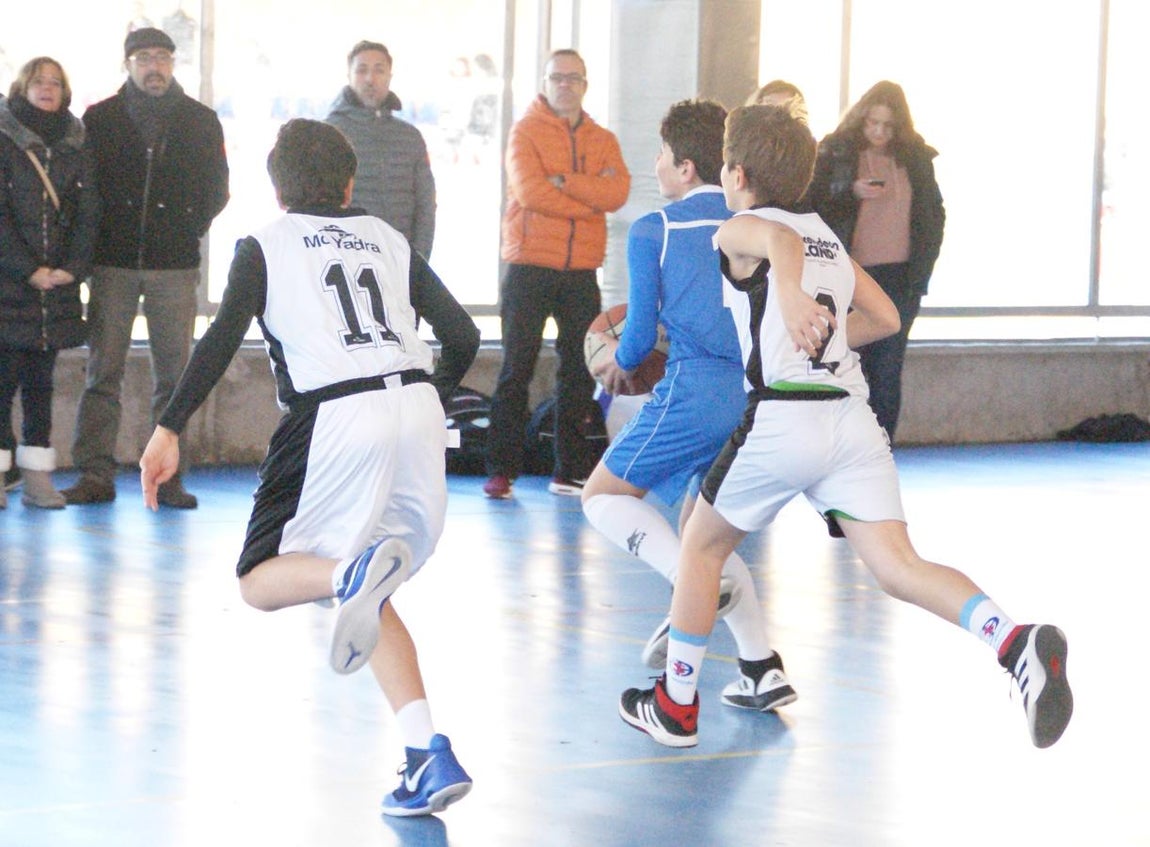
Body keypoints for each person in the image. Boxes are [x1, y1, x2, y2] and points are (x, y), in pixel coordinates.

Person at [619, 105, 1073, 751]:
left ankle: (675, 704)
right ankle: (1013, 639)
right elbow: (884, 316)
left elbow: (773, 243)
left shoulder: (739, 228)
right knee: (900, 566)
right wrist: (819, 331)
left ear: (737, 172)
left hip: (784, 416)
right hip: (851, 419)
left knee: (699, 548)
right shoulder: (827, 236)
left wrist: (792, 300)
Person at [138, 118, 481, 816]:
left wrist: (167, 425)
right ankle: (427, 752)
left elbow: (222, 336)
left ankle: (344, 572)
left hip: (334, 414)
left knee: (260, 581)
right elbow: (466, 334)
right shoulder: (389, 236)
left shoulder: (265, 243)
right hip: (417, 408)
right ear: (351, 181)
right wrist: (421, 396)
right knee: (373, 593)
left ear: (277, 187)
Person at [580, 99, 796, 712]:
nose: (655, 166)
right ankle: (760, 668)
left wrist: (612, 359)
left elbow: (640, 341)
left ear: (685, 166)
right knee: (703, 537)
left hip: (696, 389)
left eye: (662, 156)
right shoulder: (763, 225)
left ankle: (692, 589)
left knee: (601, 497)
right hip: (758, 397)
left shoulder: (658, 228)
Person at [63, 27, 229, 508]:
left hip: (174, 267)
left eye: (163, 58)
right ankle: (95, 473)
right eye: (144, 59)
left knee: (175, 380)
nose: (154, 66)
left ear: (174, 64)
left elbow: (217, 189)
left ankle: (170, 477)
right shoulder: (100, 120)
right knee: (102, 373)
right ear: (128, 65)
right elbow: (83, 188)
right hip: (112, 264)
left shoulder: (201, 121)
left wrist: (185, 227)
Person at [483, 49, 630, 499]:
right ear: (544, 83)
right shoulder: (524, 132)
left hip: (580, 270)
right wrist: (588, 198)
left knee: (578, 371)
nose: (565, 85)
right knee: (516, 368)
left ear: (585, 85)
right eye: (557, 78)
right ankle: (501, 471)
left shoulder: (603, 138)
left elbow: (618, 192)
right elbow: (531, 193)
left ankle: (568, 470)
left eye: (574, 78)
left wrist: (566, 182)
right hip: (528, 266)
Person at [806, 80, 944, 440]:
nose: (880, 132)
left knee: (887, 367)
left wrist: (922, 272)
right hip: (850, 277)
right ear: (861, 119)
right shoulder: (835, 153)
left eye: (888, 125)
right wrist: (850, 191)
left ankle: (881, 446)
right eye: (873, 124)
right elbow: (813, 206)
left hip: (901, 278)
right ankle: (842, 445)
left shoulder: (916, 158)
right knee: (846, 363)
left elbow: (933, 215)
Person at [0, 57, 97, 509]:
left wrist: (71, 269)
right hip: (9, 286)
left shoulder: (76, 144)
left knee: (42, 386)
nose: (47, 89)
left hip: (56, 291)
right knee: (1, 385)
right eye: (38, 81)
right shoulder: (4, 140)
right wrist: (27, 269)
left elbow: (88, 213)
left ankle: (38, 477)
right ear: (22, 87)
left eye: (55, 83)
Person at [326, 40, 436, 258]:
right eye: (361, 70)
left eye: (379, 70)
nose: (370, 79)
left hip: (399, 259)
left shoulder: (410, 137)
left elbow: (426, 204)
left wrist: (419, 260)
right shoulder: (329, 133)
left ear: (389, 77)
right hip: (345, 260)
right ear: (349, 76)